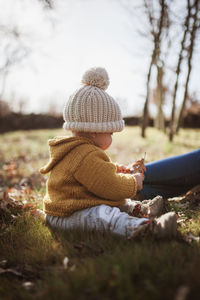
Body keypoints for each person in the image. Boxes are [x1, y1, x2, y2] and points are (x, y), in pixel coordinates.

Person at [39, 67, 178, 239]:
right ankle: (145, 229)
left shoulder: (79, 150)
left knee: (107, 204)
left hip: (74, 207)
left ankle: (141, 209)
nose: (112, 138)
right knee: (102, 214)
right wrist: (133, 182)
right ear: (94, 131)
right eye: (110, 133)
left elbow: (97, 173)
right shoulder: (85, 155)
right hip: (67, 216)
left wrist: (115, 169)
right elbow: (109, 186)